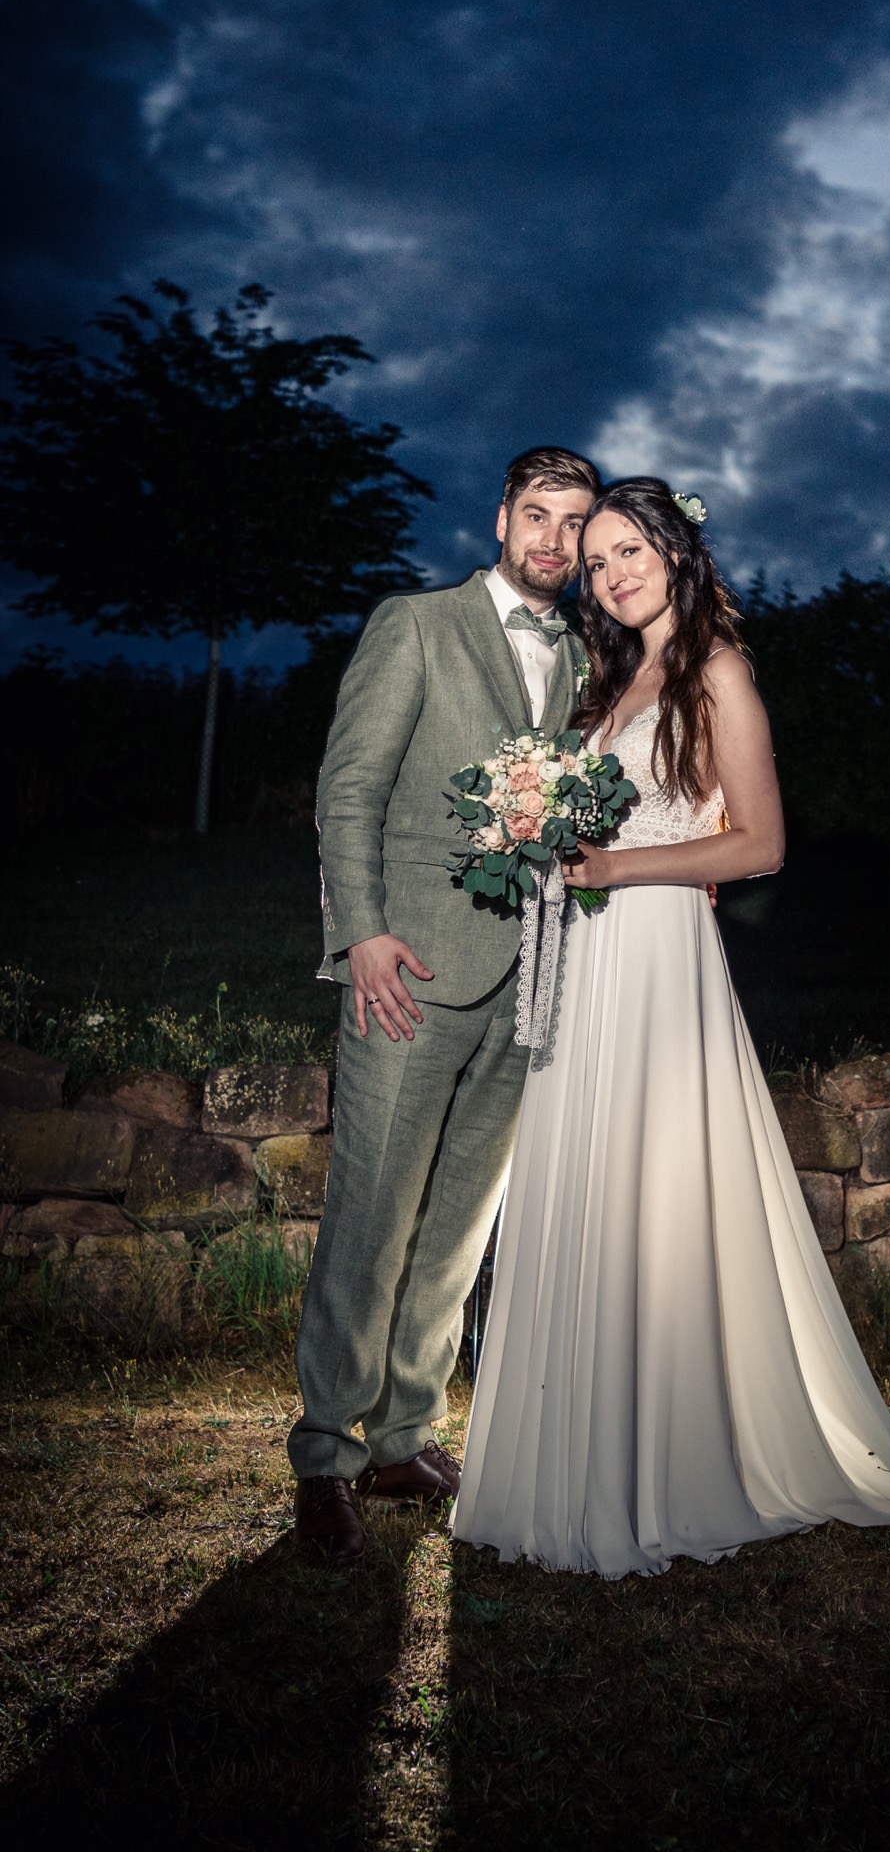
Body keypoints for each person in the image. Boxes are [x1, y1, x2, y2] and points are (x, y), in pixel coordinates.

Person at [451, 480, 890, 1576]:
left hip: (656, 960)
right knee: (586, 1177)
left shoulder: (718, 671)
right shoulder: (610, 678)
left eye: (629, 548)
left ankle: (660, 1458)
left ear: (678, 550)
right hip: (590, 959)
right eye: (595, 561)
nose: (612, 573)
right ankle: (566, 1456)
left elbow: (761, 847)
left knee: (654, 1189)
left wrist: (620, 866)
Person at [289, 444, 601, 1563]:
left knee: (461, 1225)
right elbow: (350, 789)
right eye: (538, 515)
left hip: (534, 979)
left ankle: (403, 1436)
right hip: (409, 974)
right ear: (502, 514)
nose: (554, 541)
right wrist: (358, 936)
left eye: (574, 523)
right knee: (371, 1213)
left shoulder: (585, 656)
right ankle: (324, 1452)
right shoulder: (415, 624)